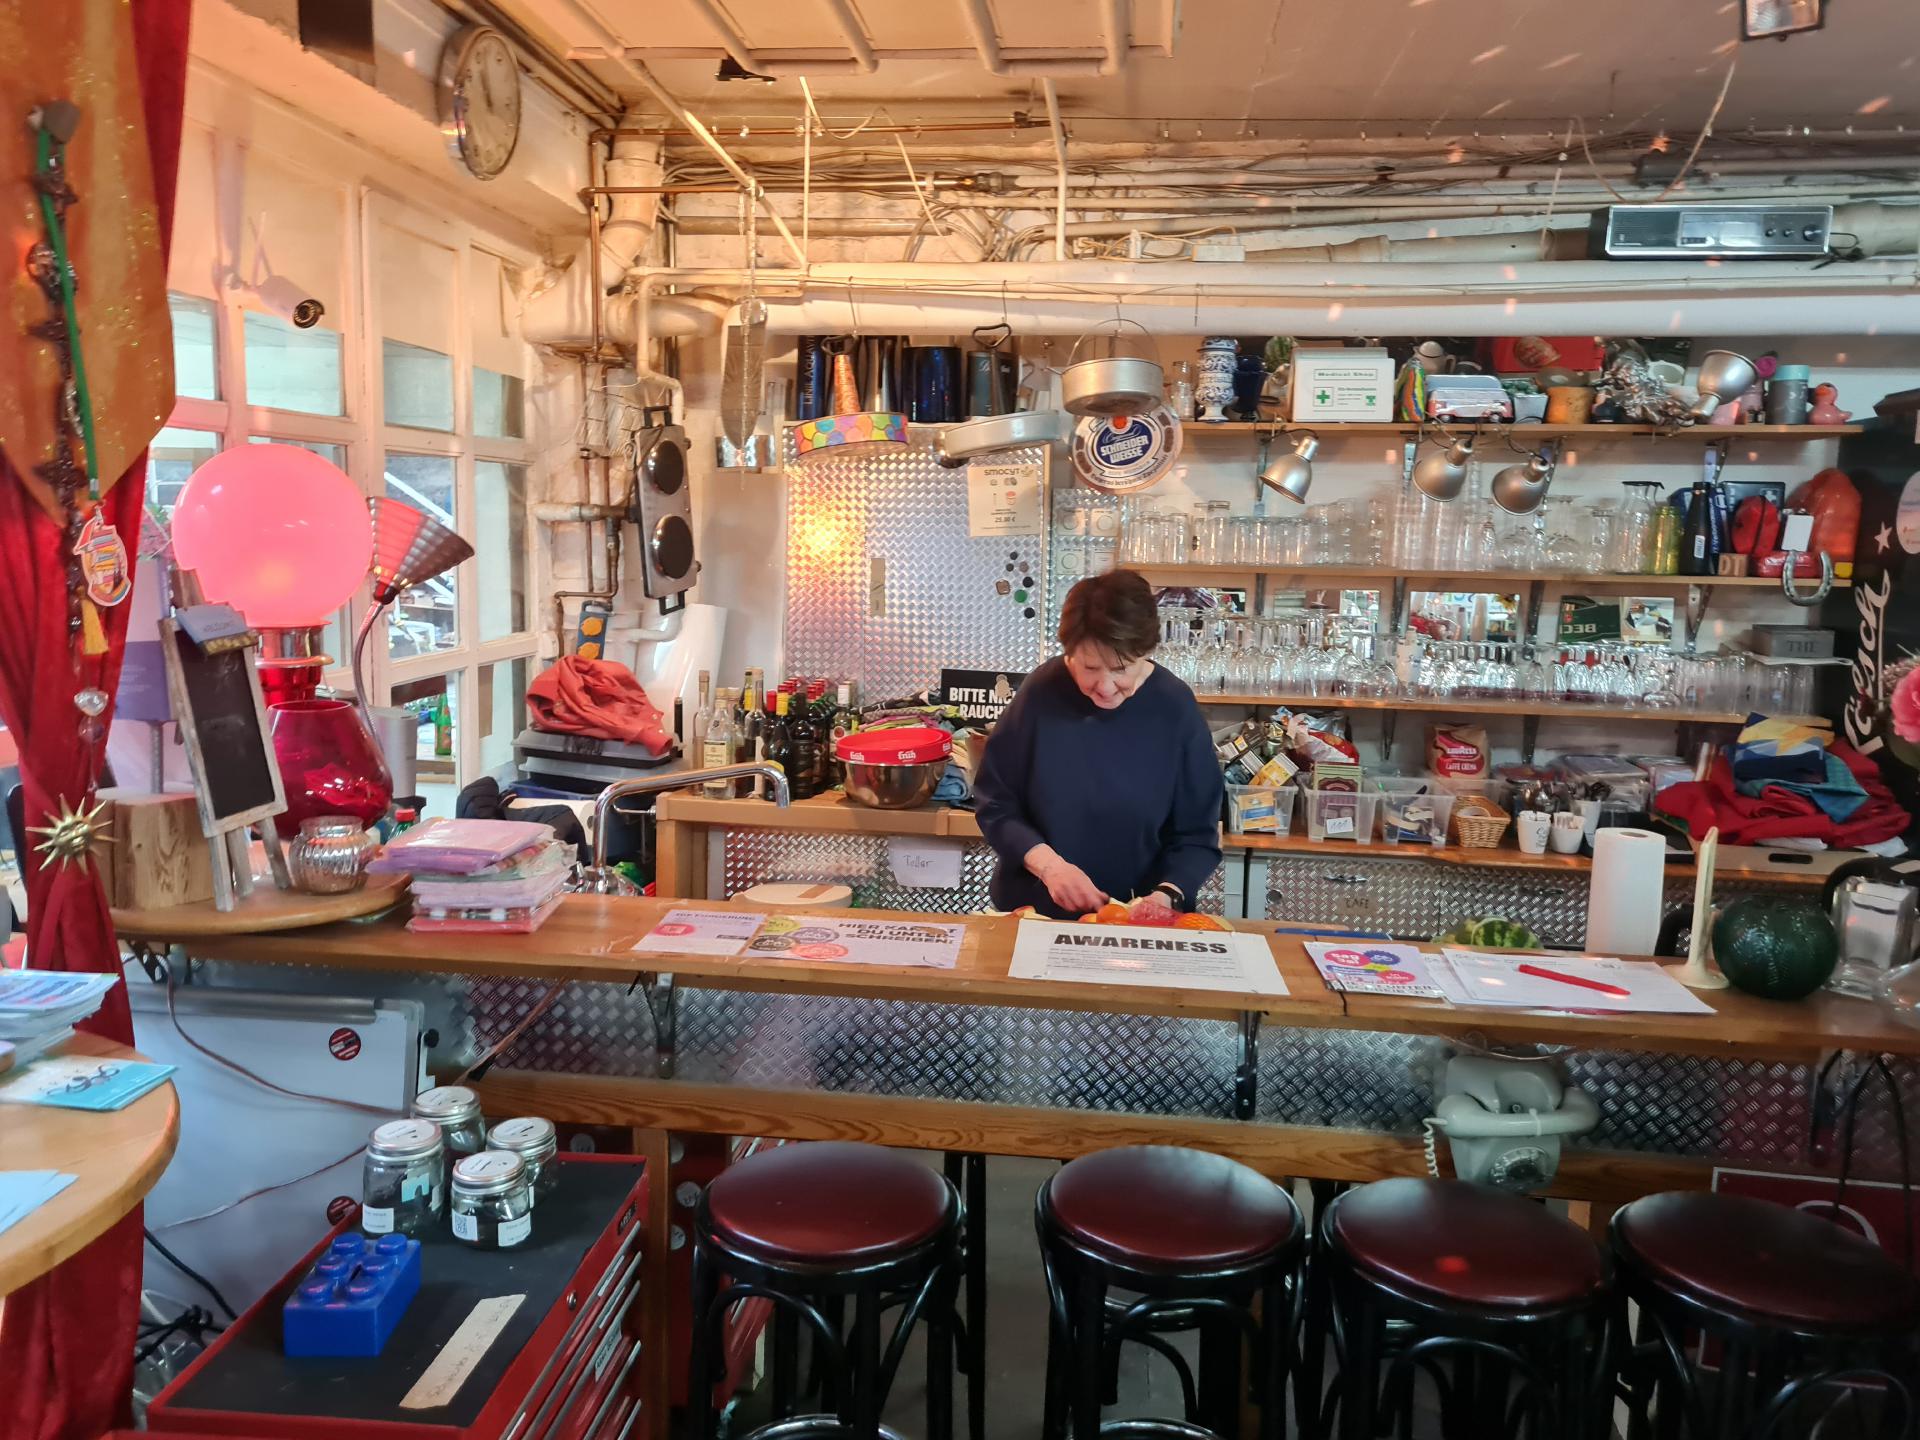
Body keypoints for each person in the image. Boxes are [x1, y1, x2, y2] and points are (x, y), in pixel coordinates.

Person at [974, 569, 1224, 919]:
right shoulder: (1040, 693)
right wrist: (1049, 867)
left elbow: (1197, 834)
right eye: (1090, 667)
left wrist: (1168, 894)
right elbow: (996, 805)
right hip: (1035, 911)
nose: (1105, 687)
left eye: (1121, 668)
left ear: (1145, 652)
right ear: (1069, 653)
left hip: (1139, 919)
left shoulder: (1174, 707)